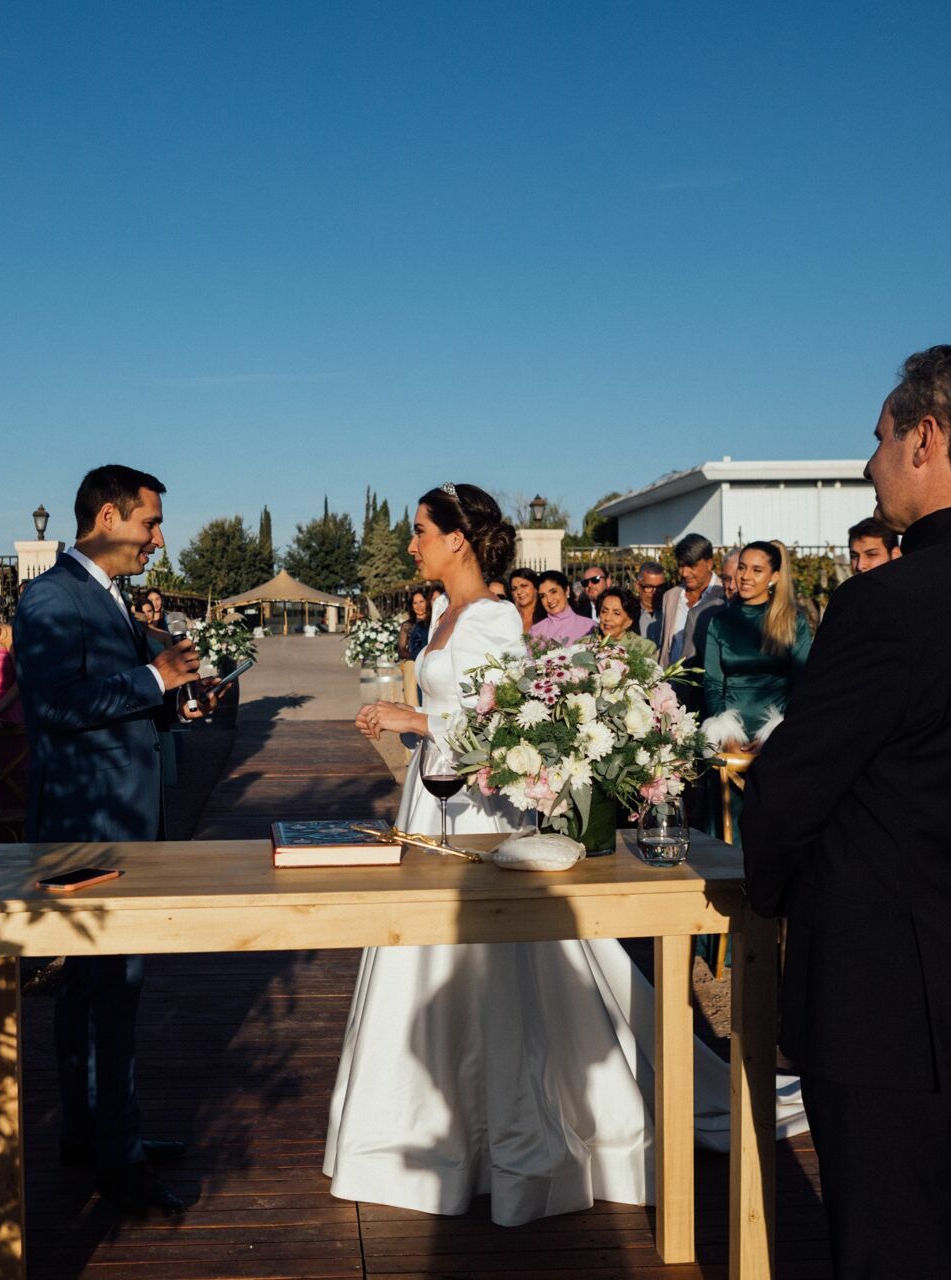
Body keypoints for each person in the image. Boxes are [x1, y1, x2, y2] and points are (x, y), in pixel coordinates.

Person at [335, 482, 805, 1226]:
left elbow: (506, 723)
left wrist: (415, 719)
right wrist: (409, 722)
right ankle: (413, 1126)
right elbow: (454, 714)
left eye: (421, 529)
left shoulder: (493, 616)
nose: (412, 542)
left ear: (458, 538)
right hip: (432, 801)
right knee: (419, 952)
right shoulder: (443, 612)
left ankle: (510, 1135)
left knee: (498, 964)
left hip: (479, 810)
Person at [743, 343, 951, 1278]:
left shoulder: (886, 602)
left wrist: (768, 893)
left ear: (925, 439)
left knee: (886, 1239)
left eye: (881, 438)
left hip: (879, 985)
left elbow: (791, 787)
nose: (870, 461)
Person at [14, 464, 209, 1215]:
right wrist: (154, 680)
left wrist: (173, 706)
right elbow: (55, 706)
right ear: (106, 517)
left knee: (94, 988)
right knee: (109, 991)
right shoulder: (50, 596)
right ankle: (118, 1161)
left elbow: (110, 699)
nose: (159, 540)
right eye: (150, 523)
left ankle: (89, 1133)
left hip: (118, 821)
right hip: (89, 826)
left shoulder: (104, 594)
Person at [701, 540, 811, 743]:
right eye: (742, 567)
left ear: (774, 577)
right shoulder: (720, 622)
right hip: (728, 741)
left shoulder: (794, 621)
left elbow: (803, 682)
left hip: (780, 738)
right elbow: (713, 682)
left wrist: (775, 734)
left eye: (757, 570)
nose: (745, 576)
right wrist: (726, 734)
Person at [654, 534, 726, 667]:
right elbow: (665, 646)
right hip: (670, 678)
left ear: (709, 564)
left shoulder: (724, 595)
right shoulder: (671, 597)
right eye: (681, 566)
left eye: (691, 565)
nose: (684, 573)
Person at [529, 569, 595, 642]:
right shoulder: (535, 631)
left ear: (567, 590)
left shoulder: (590, 626)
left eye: (553, 592)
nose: (549, 600)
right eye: (543, 596)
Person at [397, 587, 432, 707]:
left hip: (432, 657)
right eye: (415, 603)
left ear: (427, 602)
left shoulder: (434, 622)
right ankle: (414, 708)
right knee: (410, 666)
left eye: (421, 601)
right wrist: (416, 656)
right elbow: (401, 650)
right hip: (413, 659)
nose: (418, 606)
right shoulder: (408, 625)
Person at [633, 561, 669, 638]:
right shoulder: (629, 613)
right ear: (637, 586)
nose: (655, 592)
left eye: (659, 587)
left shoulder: (670, 611)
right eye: (649, 587)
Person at [506, 568, 545, 634]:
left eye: (524, 586)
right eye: (514, 589)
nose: (519, 592)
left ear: (536, 588)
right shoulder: (508, 618)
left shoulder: (548, 617)